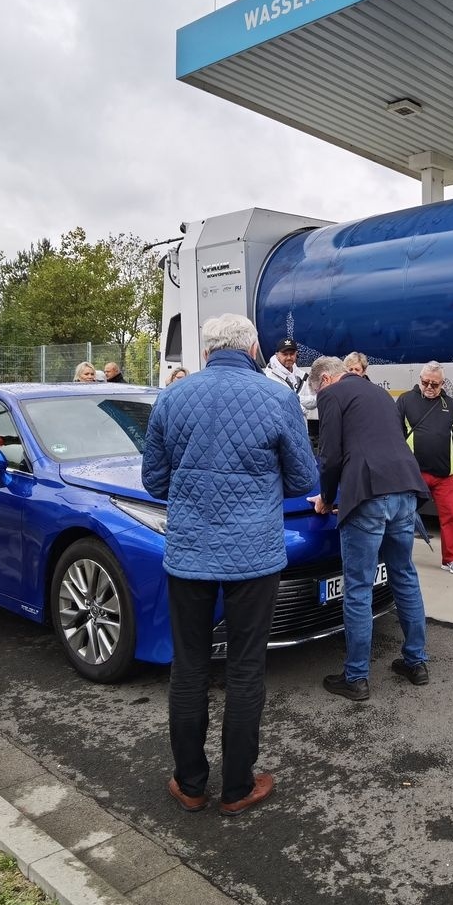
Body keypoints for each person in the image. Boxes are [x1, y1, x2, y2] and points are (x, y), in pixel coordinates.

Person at [142, 314, 317, 816]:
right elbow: (303, 478)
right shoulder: (278, 397)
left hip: (189, 552)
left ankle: (190, 784)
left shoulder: (173, 397)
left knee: (189, 666)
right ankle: (238, 787)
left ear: (207, 351)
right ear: (254, 349)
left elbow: (154, 481)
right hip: (254, 554)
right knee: (245, 667)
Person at [308, 355, 431, 701]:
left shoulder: (332, 394)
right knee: (404, 576)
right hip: (405, 488)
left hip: (368, 495)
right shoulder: (378, 392)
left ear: (325, 379)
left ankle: (356, 677)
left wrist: (326, 498)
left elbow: (330, 456)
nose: (319, 397)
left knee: (358, 587)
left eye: (317, 391)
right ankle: (416, 662)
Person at [396, 361, 453, 574]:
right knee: (402, 516)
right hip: (413, 473)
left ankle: (451, 559)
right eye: (425, 382)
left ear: (442, 384)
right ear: (420, 380)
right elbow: (395, 434)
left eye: (434, 384)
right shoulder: (405, 400)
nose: (429, 387)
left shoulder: (452, 406)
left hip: (444, 475)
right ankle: (399, 557)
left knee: (450, 516)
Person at [264, 337, 316, 417]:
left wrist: (295, 399)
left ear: (296, 354)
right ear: (277, 355)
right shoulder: (269, 377)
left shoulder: (303, 376)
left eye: (291, 354)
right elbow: (280, 403)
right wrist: (302, 405)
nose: (289, 357)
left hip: (301, 423)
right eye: (285, 354)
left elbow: (314, 400)